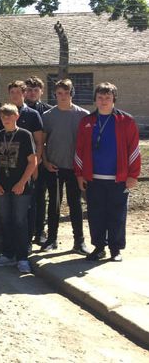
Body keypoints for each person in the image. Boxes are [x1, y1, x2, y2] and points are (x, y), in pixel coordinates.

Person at [75, 82, 140, 262]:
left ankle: (115, 249)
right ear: (95, 100)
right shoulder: (86, 121)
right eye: (100, 97)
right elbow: (79, 150)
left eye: (108, 98)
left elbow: (134, 150)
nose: (104, 101)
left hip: (118, 179)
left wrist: (133, 175)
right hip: (93, 178)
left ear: (114, 100)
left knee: (117, 214)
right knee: (96, 214)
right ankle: (99, 247)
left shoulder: (126, 121)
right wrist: (80, 174)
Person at [41, 79, 91, 254]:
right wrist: (46, 162)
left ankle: (79, 241)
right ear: (55, 94)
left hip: (75, 169)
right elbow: (42, 143)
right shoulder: (47, 116)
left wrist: (83, 168)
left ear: (72, 93)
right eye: (59, 93)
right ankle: (51, 239)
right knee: (54, 203)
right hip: (54, 167)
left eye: (66, 92)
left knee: (75, 204)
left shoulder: (83, 115)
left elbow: (87, 145)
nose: (63, 96)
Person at [0, 104, 37, 274]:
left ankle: (22, 258)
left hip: (20, 187)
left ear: (16, 116)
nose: (6, 119)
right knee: (6, 221)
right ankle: (8, 254)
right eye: (3, 117)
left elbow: (32, 162)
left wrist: (22, 182)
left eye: (9, 116)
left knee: (20, 221)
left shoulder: (25, 135)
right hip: (2, 186)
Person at [0, 80, 44, 246]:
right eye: (12, 92)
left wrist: (35, 166)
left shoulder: (32, 114)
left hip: (27, 168)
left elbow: (38, 141)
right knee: (7, 212)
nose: (15, 95)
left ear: (24, 93)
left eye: (18, 92)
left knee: (27, 207)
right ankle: (7, 244)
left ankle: (27, 241)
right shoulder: (2, 114)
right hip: (5, 170)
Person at [25, 76, 53, 246]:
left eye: (36, 90)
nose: (32, 93)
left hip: (43, 160)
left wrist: (43, 158)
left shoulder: (49, 111)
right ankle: (25, 231)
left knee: (40, 196)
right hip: (22, 161)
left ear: (41, 91)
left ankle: (40, 231)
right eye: (29, 90)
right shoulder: (19, 110)